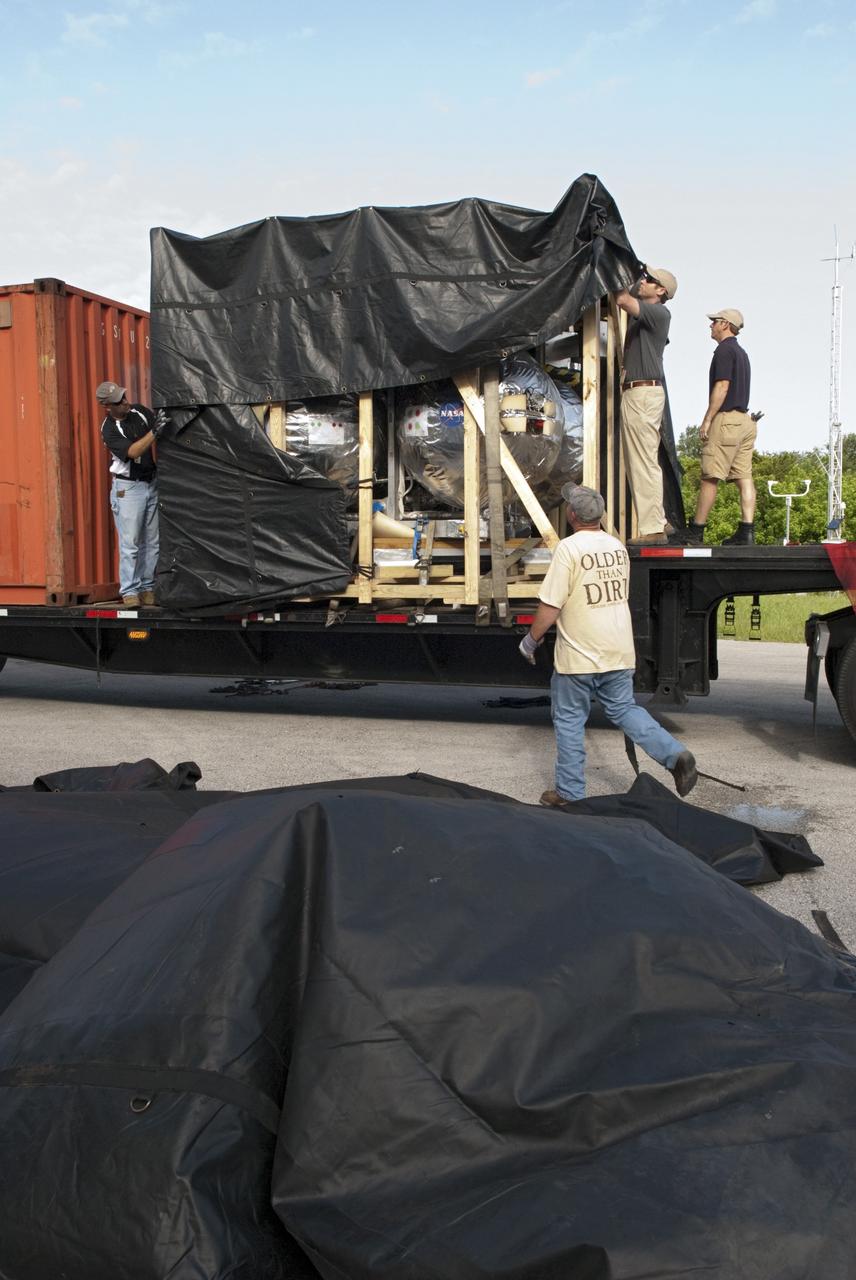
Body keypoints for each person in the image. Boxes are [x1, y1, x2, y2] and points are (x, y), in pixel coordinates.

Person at [519, 483, 697, 805]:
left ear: (571, 515)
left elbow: (551, 606)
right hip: (618, 651)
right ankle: (675, 755)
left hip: (578, 656)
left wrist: (531, 641)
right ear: (599, 515)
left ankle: (569, 795)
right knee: (625, 709)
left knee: (570, 720)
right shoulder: (617, 548)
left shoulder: (569, 550)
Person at [676, 309, 755, 546]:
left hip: (726, 420)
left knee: (710, 476)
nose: (710, 326)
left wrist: (708, 419)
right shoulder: (741, 353)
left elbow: (722, 386)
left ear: (725, 324)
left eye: (714, 322)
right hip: (745, 422)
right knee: (744, 477)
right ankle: (747, 532)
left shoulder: (724, 350)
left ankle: (696, 531)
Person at [614, 265, 678, 546]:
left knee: (643, 461)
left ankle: (653, 528)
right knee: (642, 460)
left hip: (642, 394)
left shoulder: (658, 312)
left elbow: (622, 299)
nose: (642, 281)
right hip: (640, 393)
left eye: (648, 279)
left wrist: (612, 269)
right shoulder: (647, 316)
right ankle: (660, 519)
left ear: (661, 291)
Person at [96, 380, 168, 606]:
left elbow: (158, 418)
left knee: (152, 541)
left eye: (124, 397)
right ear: (108, 407)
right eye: (119, 401)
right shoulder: (109, 429)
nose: (126, 403)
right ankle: (129, 591)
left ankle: (147, 588)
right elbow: (133, 450)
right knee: (131, 543)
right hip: (128, 489)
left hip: (150, 482)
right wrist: (155, 432)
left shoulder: (138, 411)